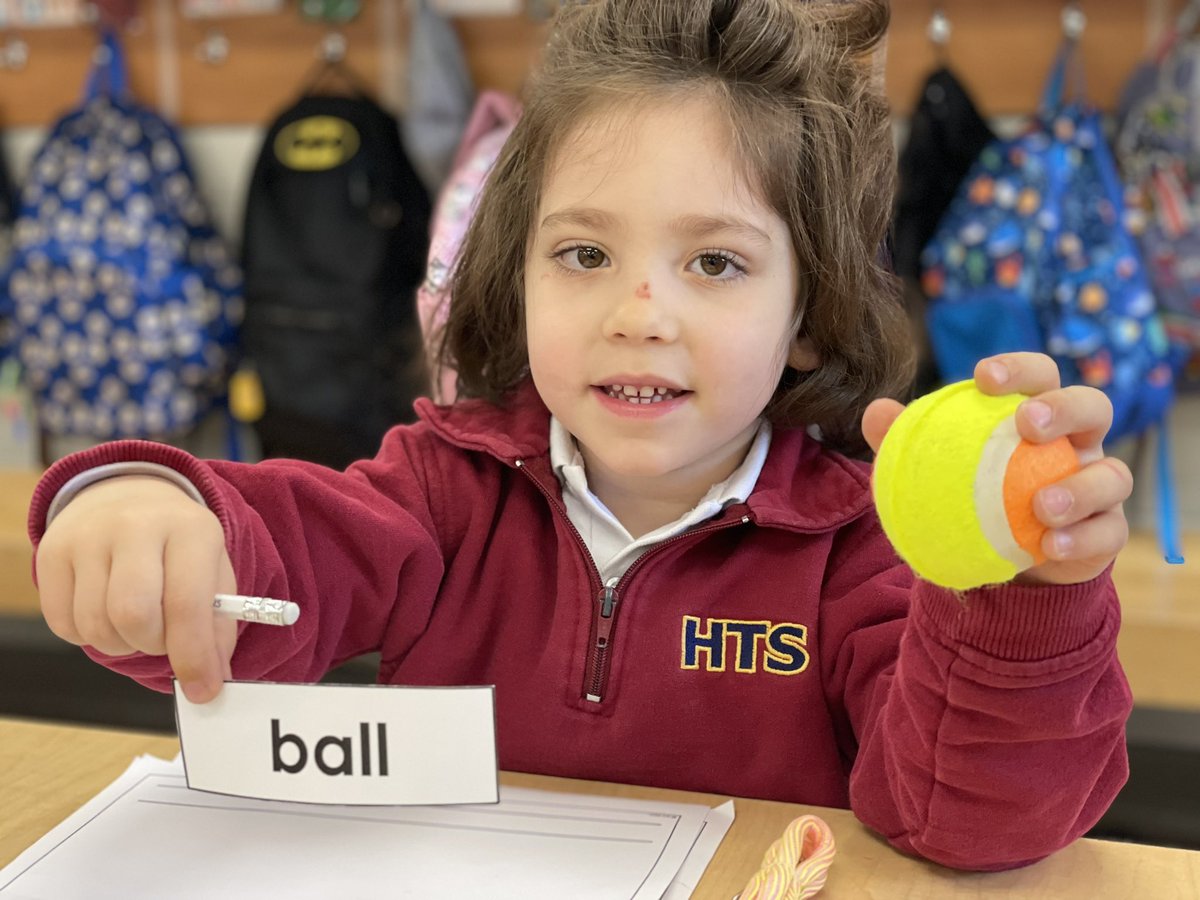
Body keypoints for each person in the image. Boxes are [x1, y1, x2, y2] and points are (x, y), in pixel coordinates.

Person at [29, 0, 1133, 873]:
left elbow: (972, 826)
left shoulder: (863, 550)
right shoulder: (438, 488)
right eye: (584, 255)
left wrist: (1019, 596)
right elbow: (266, 574)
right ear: (515, 281)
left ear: (808, 318)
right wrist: (142, 510)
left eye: (715, 263)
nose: (638, 312)